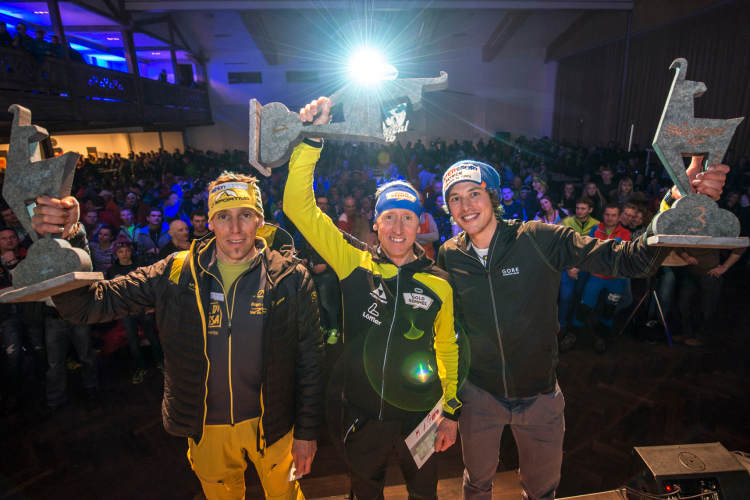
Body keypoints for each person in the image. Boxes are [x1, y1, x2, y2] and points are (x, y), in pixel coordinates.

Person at [435, 155, 729, 500]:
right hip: (479, 397)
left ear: (493, 196)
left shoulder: (538, 238)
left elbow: (631, 259)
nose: (466, 206)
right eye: (455, 198)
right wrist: (449, 403)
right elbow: (450, 331)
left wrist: (673, 203)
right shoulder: (449, 255)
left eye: (474, 193)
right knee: (476, 484)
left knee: (541, 491)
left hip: (538, 398)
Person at [31, 171, 324, 500]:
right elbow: (84, 306)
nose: (235, 229)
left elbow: (310, 360)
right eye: (223, 217)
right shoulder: (175, 272)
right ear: (210, 222)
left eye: (245, 215)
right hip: (207, 428)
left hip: (275, 426)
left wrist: (307, 432)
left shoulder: (289, 277)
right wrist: (69, 238)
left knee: (286, 496)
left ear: (259, 220)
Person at [285, 97, 461, 500]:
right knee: (365, 495)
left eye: (408, 217)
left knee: (424, 494)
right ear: (376, 223)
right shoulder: (353, 262)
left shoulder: (439, 283)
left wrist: (451, 410)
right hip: (363, 415)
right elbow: (298, 207)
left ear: (419, 224)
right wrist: (312, 139)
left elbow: (448, 348)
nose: (398, 227)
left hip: (421, 415)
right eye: (389, 217)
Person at [559, 204, 631, 355]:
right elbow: (589, 251)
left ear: (619, 217)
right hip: (597, 276)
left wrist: (601, 254)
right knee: (585, 307)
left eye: (613, 215)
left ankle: (601, 337)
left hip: (616, 278)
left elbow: (620, 255)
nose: (610, 218)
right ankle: (572, 335)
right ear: (603, 215)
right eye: (607, 214)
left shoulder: (624, 233)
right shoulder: (596, 229)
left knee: (609, 310)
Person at [0, 227, 45, 416]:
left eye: (12, 237)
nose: (9, 240)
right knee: (13, 355)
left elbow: (30, 282)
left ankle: (43, 387)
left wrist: (13, 263)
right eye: (4, 238)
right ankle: (14, 394)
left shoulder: (28, 254)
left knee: (39, 348)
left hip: (30, 310)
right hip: (7, 315)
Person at [107, 237, 164, 384]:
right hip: (126, 310)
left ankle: (160, 361)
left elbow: (151, 287)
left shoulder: (141, 265)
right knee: (132, 340)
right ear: (115, 253)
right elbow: (111, 292)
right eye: (120, 251)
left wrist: (152, 305)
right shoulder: (113, 270)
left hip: (144, 307)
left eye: (127, 250)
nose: (124, 254)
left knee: (152, 336)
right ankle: (139, 367)